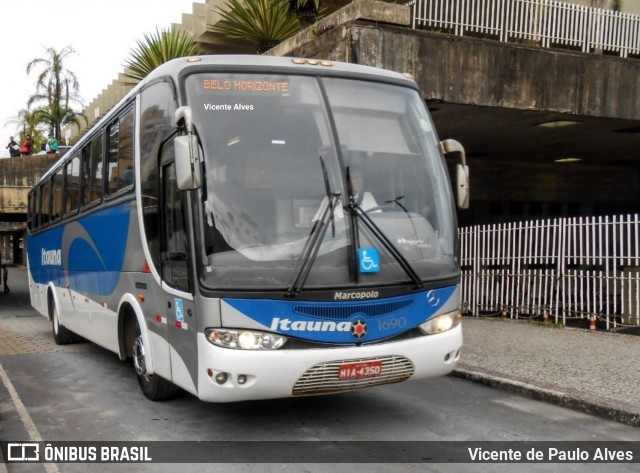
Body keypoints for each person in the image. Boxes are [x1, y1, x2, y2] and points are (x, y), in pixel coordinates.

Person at [312, 166, 379, 223]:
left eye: (360, 177)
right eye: (355, 178)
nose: (359, 181)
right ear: (346, 181)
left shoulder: (368, 197)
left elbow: (379, 220)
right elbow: (317, 225)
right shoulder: (332, 199)